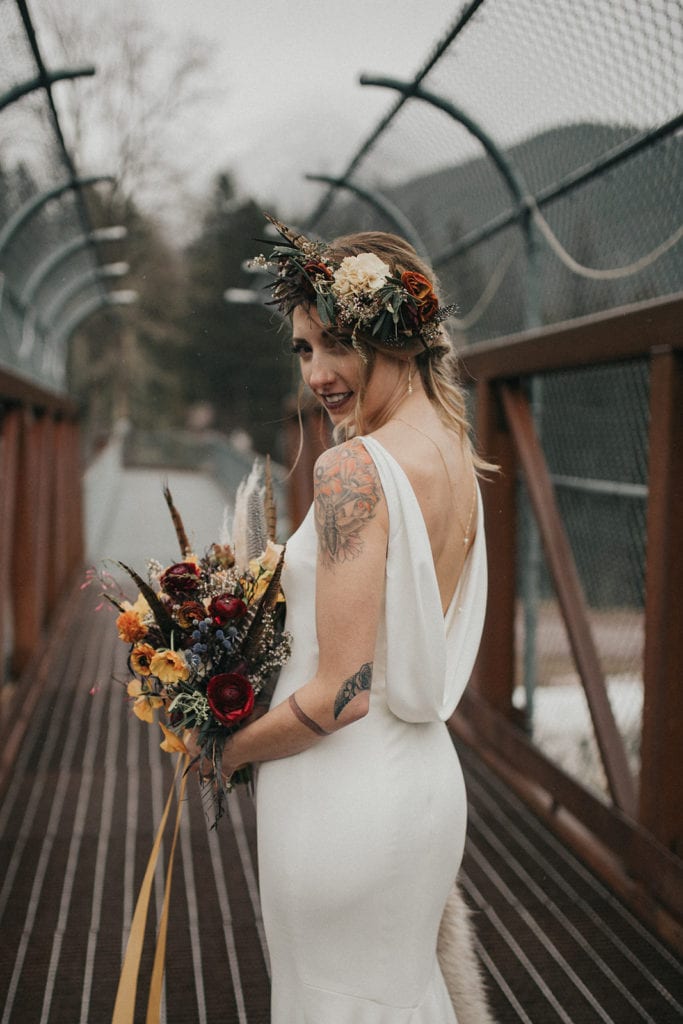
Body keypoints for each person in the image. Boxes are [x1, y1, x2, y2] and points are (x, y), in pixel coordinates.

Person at [192, 218, 493, 1022]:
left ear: (396, 335)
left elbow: (343, 690)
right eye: (302, 350)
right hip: (423, 787)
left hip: (345, 802)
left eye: (336, 344)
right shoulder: (455, 452)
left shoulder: (352, 468)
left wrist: (218, 749)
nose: (317, 373)